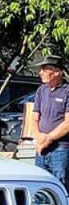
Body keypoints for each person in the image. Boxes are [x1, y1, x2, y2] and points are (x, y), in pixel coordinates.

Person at [28, 55, 69, 184]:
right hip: (41, 148)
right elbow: (34, 118)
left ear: (57, 72)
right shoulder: (41, 90)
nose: (40, 73)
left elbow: (67, 123)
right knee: (41, 186)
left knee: (60, 184)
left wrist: (48, 139)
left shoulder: (67, 91)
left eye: (45, 69)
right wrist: (39, 137)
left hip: (60, 149)